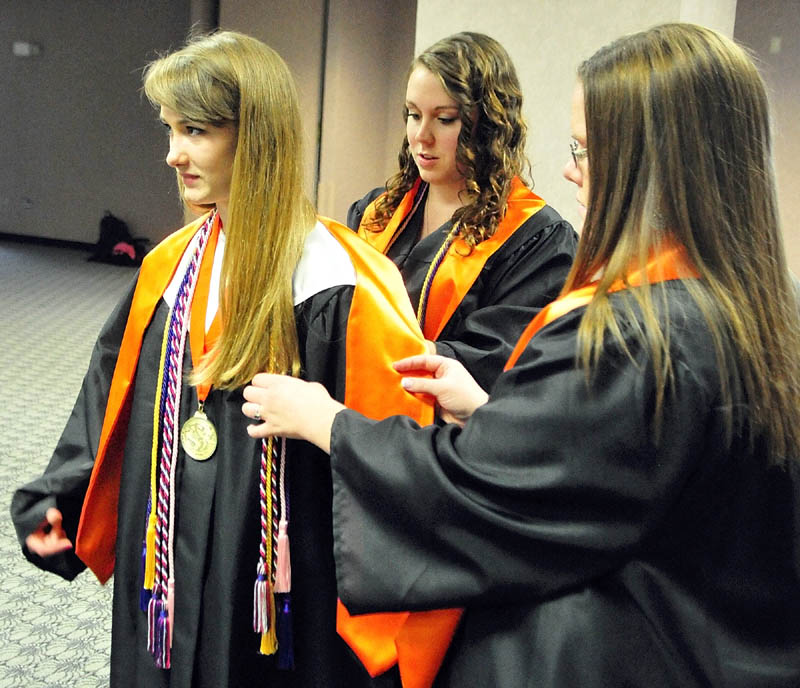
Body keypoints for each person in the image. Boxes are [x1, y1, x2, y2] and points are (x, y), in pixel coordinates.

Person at [243, 23, 800, 687]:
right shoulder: (761, 305)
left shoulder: (628, 332)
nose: (571, 169)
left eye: (587, 150)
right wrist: (489, 409)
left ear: (653, 165)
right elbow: (614, 466)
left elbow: (481, 491)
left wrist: (326, 422)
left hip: (622, 648)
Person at [10, 31, 441, 688]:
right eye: (171, 129)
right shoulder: (168, 269)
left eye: (195, 131)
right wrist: (63, 496)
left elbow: (401, 452)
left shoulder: (343, 286)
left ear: (256, 136)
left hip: (276, 594)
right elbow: (111, 393)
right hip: (168, 566)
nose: (172, 153)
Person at [347, 32, 577, 390]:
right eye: (412, 114)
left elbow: (496, 362)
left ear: (488, 126)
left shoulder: (535, 242)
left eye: (445, 119)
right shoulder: (375, 213)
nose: (421, 136)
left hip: (446, 437)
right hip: (351, 423)